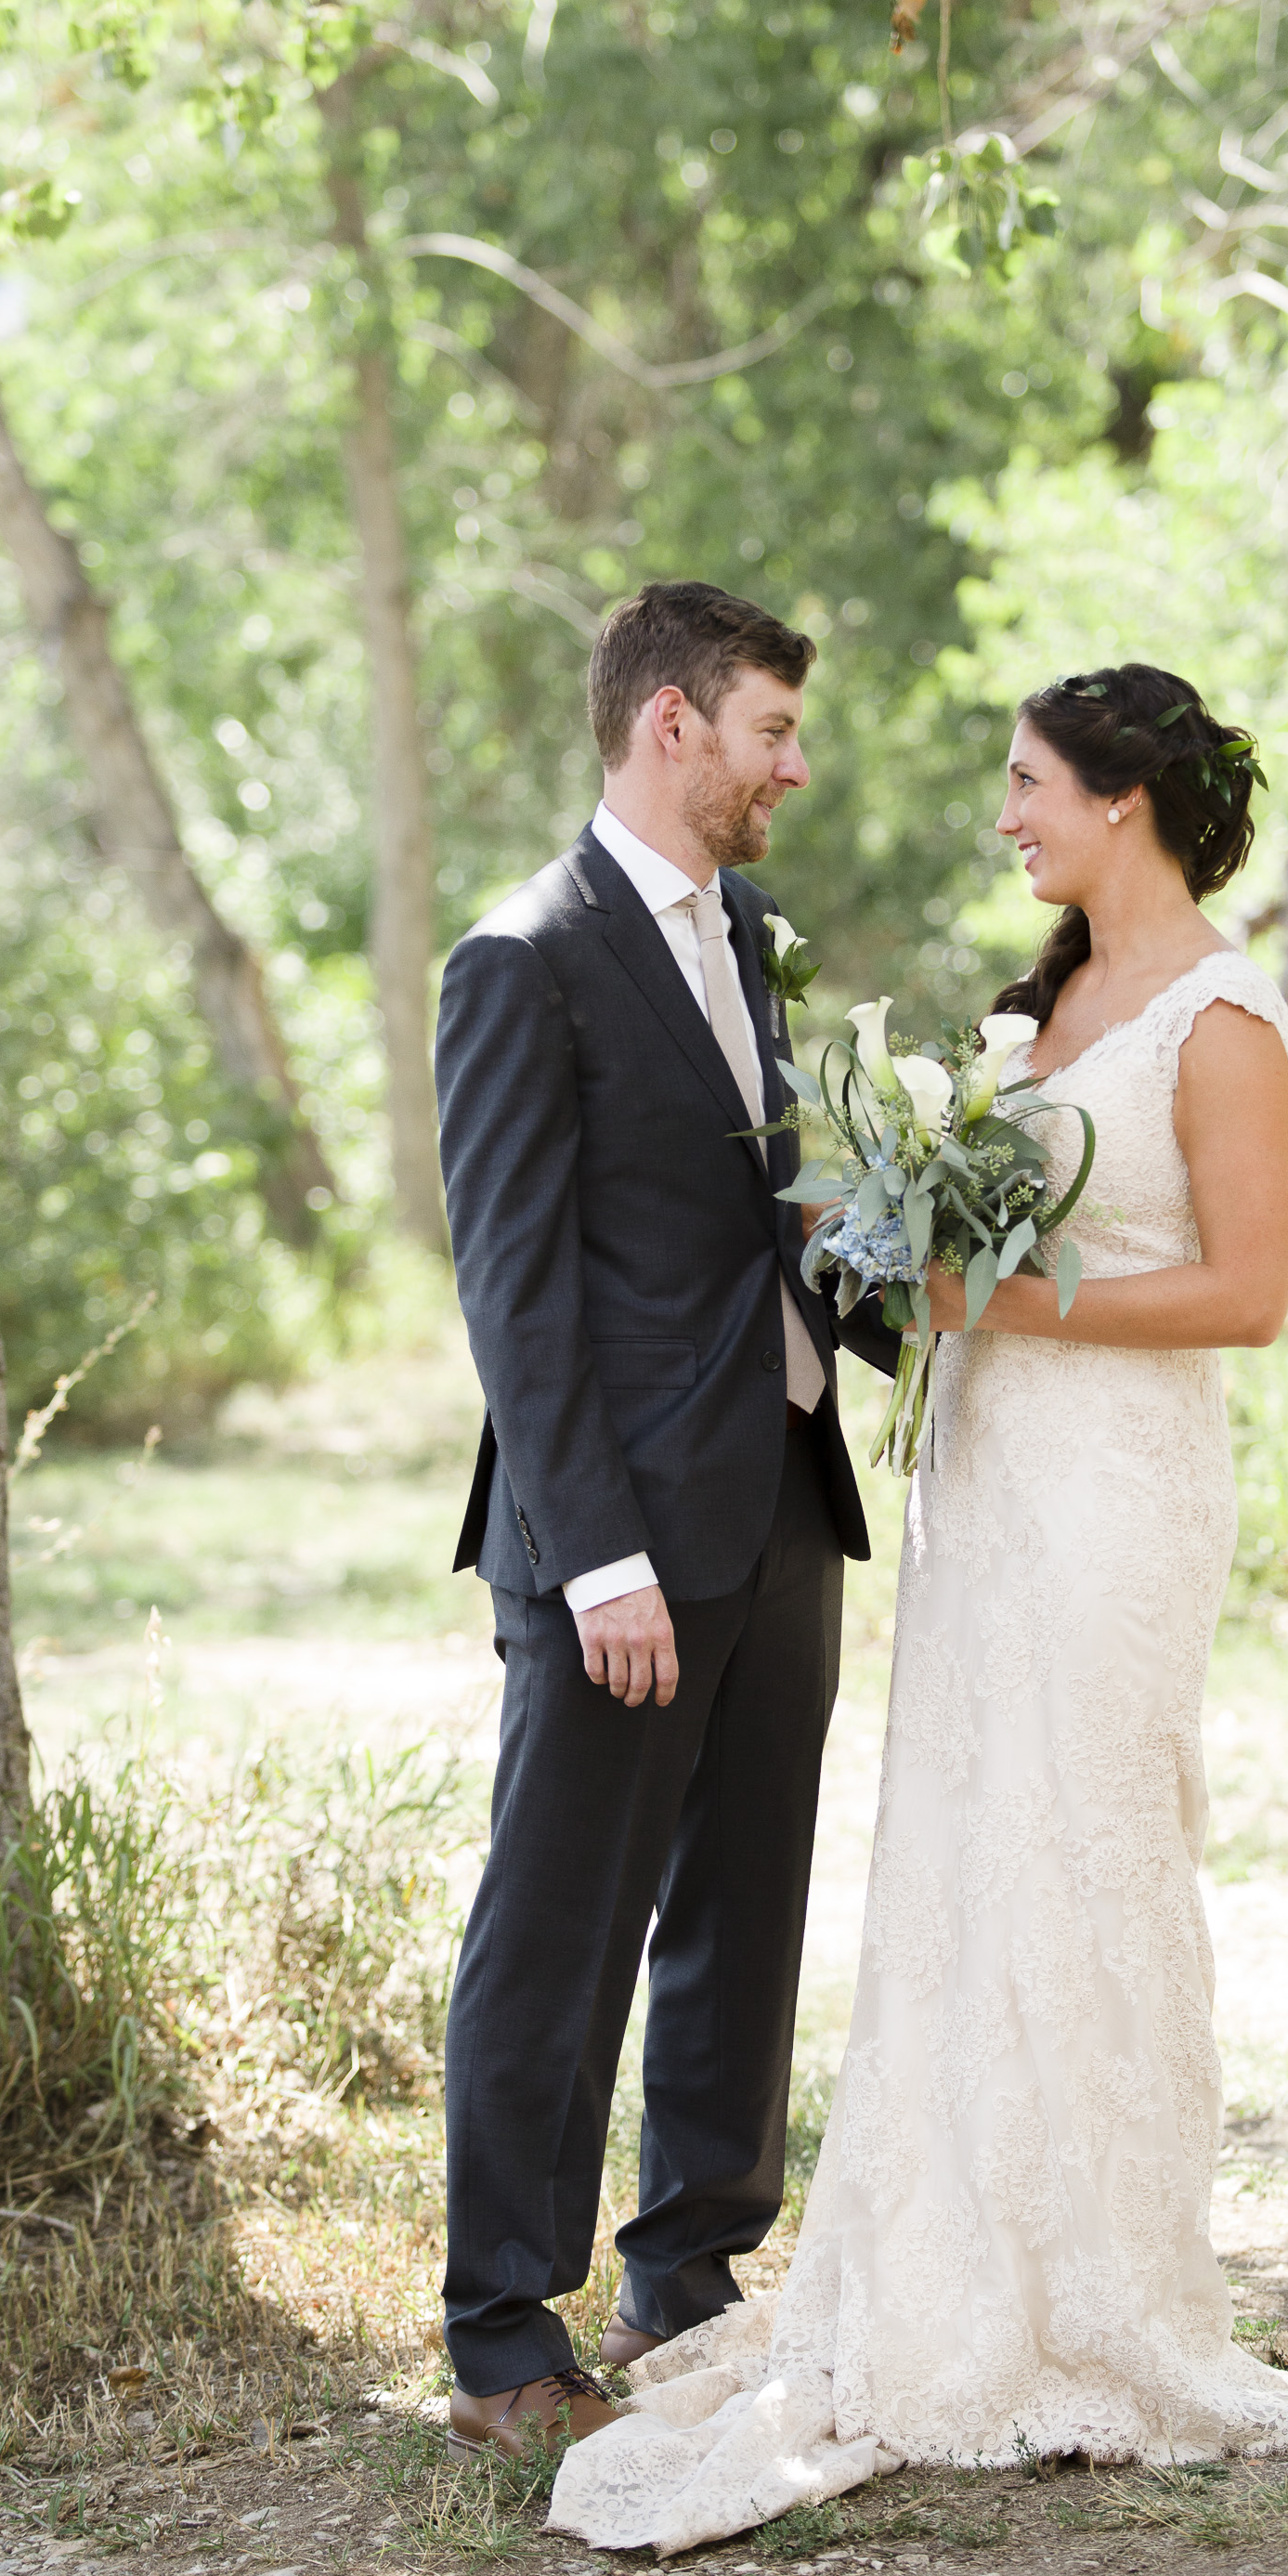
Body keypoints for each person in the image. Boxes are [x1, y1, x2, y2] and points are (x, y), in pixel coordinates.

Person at [549, 661, 1288, 2554]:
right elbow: (977, 1256)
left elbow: (1249, 1291)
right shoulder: (1041, 1001)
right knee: (968, 1847)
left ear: (1122, 799)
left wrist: (1018, 1305)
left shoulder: (1218, 1014)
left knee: (1090, 1845)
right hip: (989, 1482)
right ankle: (957, 2268)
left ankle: (1104, 2299)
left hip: (1122, 1494)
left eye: (1026, 783)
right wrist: (885, 1244)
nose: (1003, 815)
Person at [433, 579, 895, 2464]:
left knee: (740, 1905)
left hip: (779, 1497)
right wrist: (599, 1554)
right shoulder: (521, 955)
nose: (796, 761)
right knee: (560, 1924)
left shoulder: (748, 931)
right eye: (773, 728)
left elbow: (760, 1215)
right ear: (672, 727)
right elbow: (515, 1290)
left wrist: (904, 1253)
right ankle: (497, 2326)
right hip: (613, 1540)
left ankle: (686, 2273)